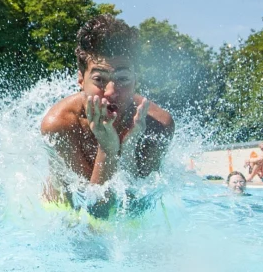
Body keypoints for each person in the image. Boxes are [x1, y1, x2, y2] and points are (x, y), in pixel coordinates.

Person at [40, 14, 175, 218]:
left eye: (122, 78)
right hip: (62, 211)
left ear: (135, 79)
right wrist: (108, 149)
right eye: (99, 79)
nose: (111, 91)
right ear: (80, 79)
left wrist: (128, 148)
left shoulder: (158, 124)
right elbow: (93, 214)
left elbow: (135, 211)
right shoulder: (60, 124)